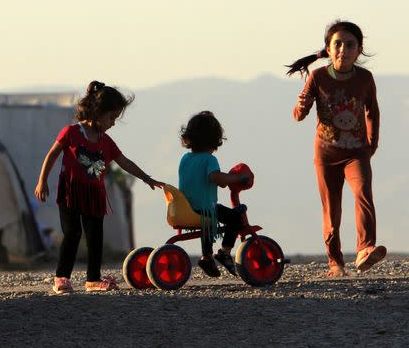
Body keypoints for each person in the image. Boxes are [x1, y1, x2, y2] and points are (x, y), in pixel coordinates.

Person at [35, 81, 164, 294]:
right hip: (71, 193)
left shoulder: (107, 142)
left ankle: (92, 279)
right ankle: (61, 278)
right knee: (72, 233)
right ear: (97, 112)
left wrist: (147, 178)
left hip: (95, 195)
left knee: (96, 237)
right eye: (111, 117)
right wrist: (42, 180)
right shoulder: (72, 132)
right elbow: (52, 154)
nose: (113, 123)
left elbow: (125, 162)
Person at [287, 20, 386, 277]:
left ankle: (365, 250)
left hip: (356, 153)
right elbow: (298, 116)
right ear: (328, 49)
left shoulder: (365, 78)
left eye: (350, 45)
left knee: (363, 193)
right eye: (338, 44)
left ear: (359, 49)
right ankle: (335, 262)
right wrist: (301, 103)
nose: (344, 49)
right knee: (332, 209)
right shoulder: (318, 77)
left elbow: (372, 111)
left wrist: (371, 145)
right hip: (326, 155)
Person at [177, 111, 251, 277]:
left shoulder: (185, 158)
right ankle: (225, 252)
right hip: (204, 209)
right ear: (213, 139)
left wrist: (223, 180)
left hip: (187, 208)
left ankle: (207, 257)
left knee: (208, 220)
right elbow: (215, 177)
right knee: (235, 218)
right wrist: (237, 178)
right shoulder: (209, 160)